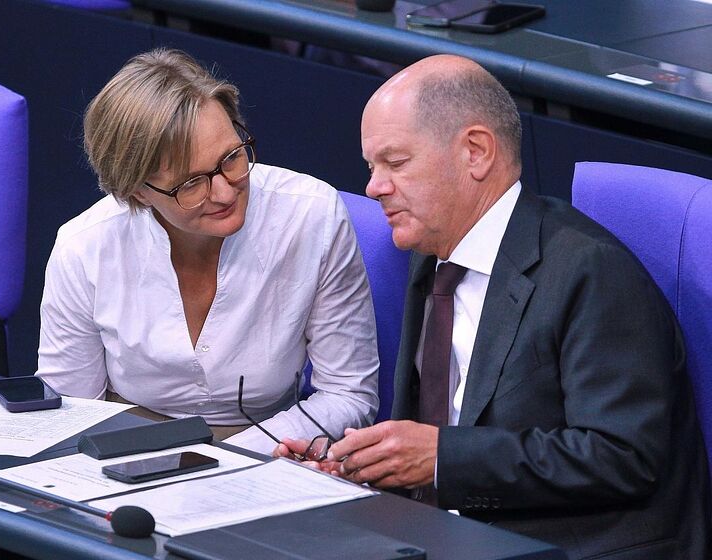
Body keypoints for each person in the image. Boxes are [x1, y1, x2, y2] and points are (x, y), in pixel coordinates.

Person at [278, 55, 711, 558]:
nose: (374, 187)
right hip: (452, 535)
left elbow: (623, 457)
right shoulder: (432, 257)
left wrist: (441, 460)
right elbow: (440, 435)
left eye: (395, 163)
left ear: (476, 152)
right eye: (371, 168)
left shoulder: (591, 271)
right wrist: (364, 465)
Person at [36, 48, 379, 455]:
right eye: (191, 183)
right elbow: (69, 410)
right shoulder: (84, 246)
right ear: (138, 192)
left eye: (231, 158)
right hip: (123, 452)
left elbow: (347, 394)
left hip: (268, 454)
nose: (224, 192)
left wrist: (225, 455)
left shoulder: (311, 216)